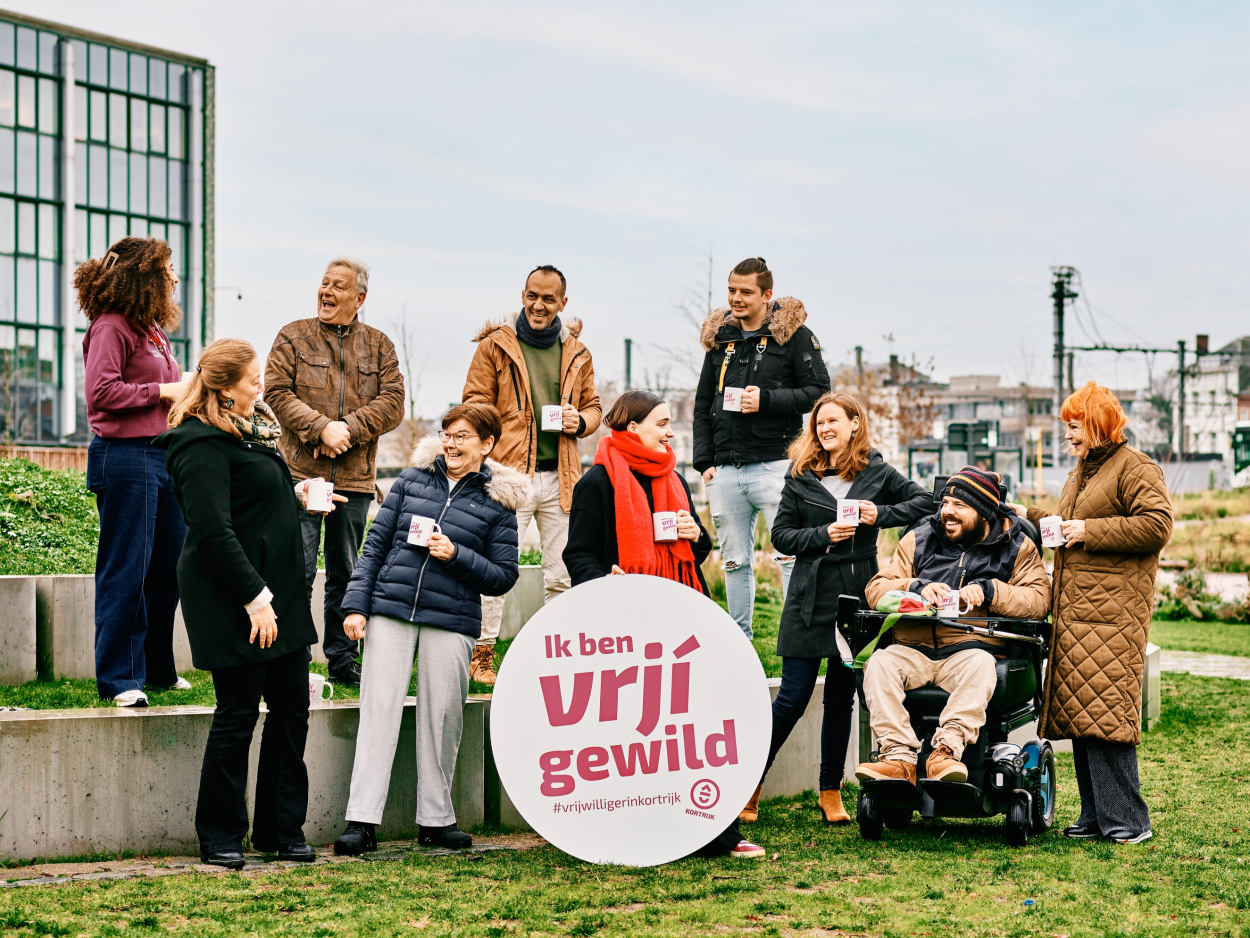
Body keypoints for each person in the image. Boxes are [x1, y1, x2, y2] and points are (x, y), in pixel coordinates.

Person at [156, 338, 335, 870]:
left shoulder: (252, 433)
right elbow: (212, 530)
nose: (262, 387)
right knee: (237, 715)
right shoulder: (196, 443)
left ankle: (282, 830)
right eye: (253, 380)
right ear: (223, 388)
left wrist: (297, 494)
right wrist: (255, 599)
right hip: (237, 597)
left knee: (291, 713)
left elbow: (253, 498)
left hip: (279, 593)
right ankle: (220, 834)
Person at [563, 389, 765, 860]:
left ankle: (717, 831)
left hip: (681, 622)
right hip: (624, 628)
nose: (670, 431)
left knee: (693, 730)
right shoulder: (597, 483)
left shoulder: (671, 476)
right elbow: (579, 556)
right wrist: (605, 580)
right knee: (632, 736)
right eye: (661, 423)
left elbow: (693, 553)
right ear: (632, 429)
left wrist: (698, 538)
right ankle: (634, 826)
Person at [333, 403, 525, 855]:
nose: (452, 443)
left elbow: (503, 575)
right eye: (447, 434)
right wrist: (357, 606)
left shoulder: (499, 501)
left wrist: (455, 554)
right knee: (378, 712)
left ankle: (436, 822)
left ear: (487, 444)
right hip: (390, 610)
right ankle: (361, 821)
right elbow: (375, 545)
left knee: (443, 719)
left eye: (462, 436)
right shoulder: (411, 480)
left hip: (452, 620)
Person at [739, 393, 933, 826]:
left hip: (855, 599)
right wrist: (825, 533)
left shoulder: (876, 471)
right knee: (792, 697)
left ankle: (830, 792)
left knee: (842, 699)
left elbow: (925, 503)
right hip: (808, 597)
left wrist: (877, 514)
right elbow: (782, 537)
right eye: (818, 423)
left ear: (854, 424)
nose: (824, 429)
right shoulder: (800, 474)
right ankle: (749, 785)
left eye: (832, 421)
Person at [1010, 382, 1171, 844]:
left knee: (1105, 717)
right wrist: (1026, 513)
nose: (1069, 436)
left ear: (1098, 424)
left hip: (1111, 614)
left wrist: (1088, 530)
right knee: (1082, 715)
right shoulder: (1083, 471)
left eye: (1074, 427)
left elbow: (1156, 525)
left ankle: (1129, 821)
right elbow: (1066, 529)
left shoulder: (1136, 468)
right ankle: (1097, 817)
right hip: (1078, 613)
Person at [853, 466, 1050, 787]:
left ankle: (945, 752)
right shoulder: (919, 538)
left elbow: (1039, 600)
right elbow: (877, 588)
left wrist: (990, 591)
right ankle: (899, 758)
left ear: (984, 513)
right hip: (913, 651)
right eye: (945, 503)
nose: (947, 512)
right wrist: (915, 587)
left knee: (981, 665)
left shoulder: (1018, 547)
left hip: (972, 651)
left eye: (959, 506)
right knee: (879, 664)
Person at [265, 258, 405, 686]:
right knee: (298, 569)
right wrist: (320, 428)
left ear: (359, 298)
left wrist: (349, 429)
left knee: (347, 572)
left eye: (338, 286)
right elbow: (274, 391)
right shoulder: (293, 335)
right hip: (300, 479)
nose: (326, 291)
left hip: (355, 480)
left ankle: (344, 660)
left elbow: (394, 402)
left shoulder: (380, 344)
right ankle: (293, 659)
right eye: (324, 283)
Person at [462, 265, 601, 685]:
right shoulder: (494, 348)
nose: (538, 305)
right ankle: (481, 654)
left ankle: (558, 653)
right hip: (508, 478)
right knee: (494, 569)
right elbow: (473, 402)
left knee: (561, 573)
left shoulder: (578, 352)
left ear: (563, 303)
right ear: (523, 295)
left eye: (548, 299)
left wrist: (582, 421)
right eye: (532, 296)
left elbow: (596, 408)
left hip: (561, 477)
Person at [79, 237, 192, 707]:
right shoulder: (111, 327)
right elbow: (101, 393)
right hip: (125, 458)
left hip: (163, 456)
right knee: (126, 569)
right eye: (167, 270)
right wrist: (163, 391)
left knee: (169, 570)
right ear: (142, 276)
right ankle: (120, 679)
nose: (174, 277)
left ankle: (158, 669)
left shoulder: (151, 330)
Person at [693, 257, 831, 639]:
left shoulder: (796, 336)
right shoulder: (720, 339)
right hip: (725, 470)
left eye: (745, 292)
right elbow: (703, 401)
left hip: (776, 467)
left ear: (767, 295)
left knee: (788, 557)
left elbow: (819, 393)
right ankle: (740, 640)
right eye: (731, 290)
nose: (735, 299)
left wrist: (766, 400)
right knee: (734, 562)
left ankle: (794, 641)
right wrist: (704, 461)